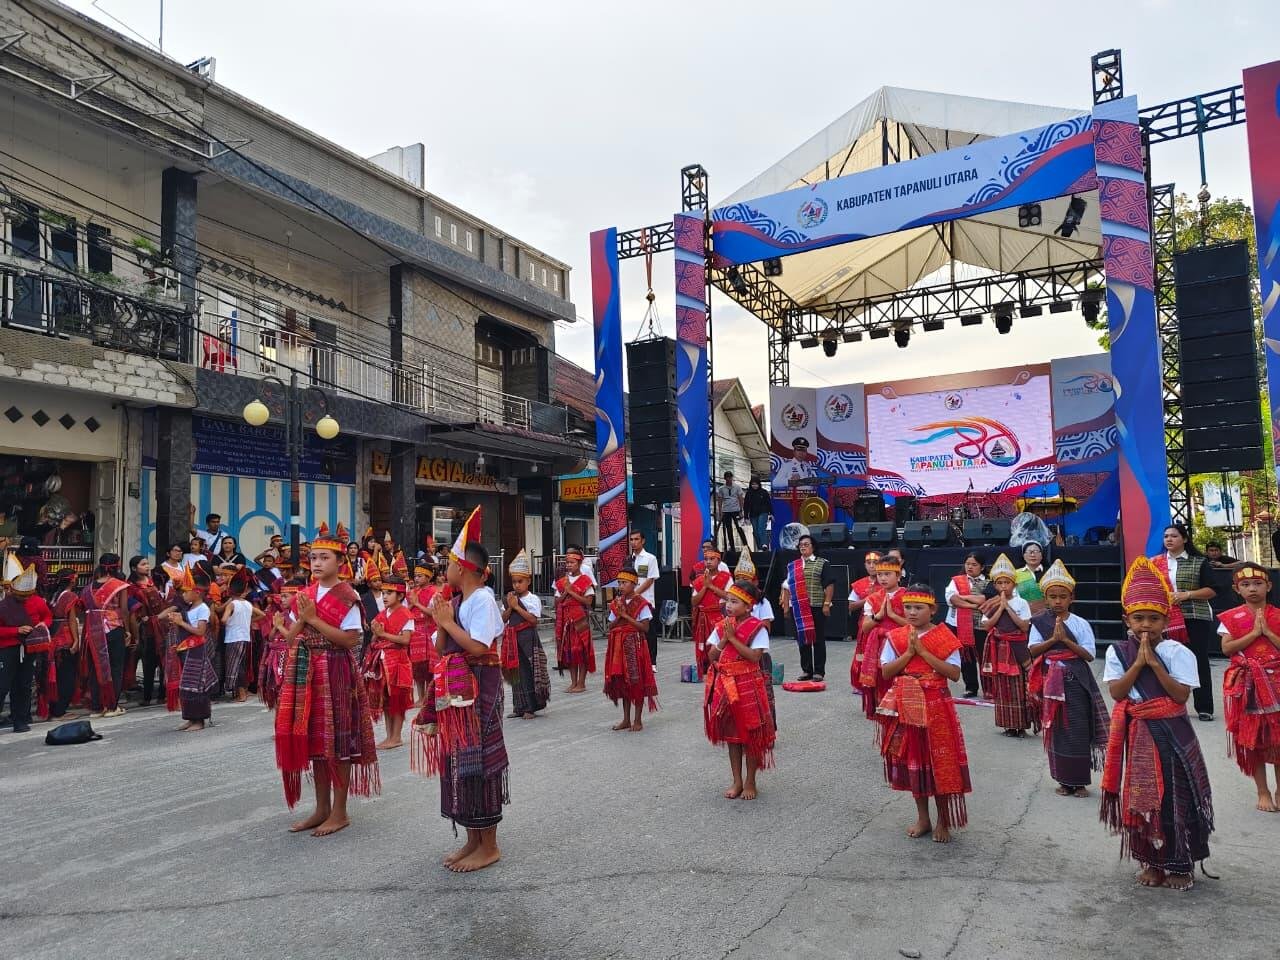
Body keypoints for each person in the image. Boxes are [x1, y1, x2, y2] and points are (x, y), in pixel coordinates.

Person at [1101, 556, 1214, 891]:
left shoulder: (1178, 651)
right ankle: (1151, 862)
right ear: (1127, 620)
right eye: (1138, 618)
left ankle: (1181, 864)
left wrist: (1156, 665)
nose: (1145, 625)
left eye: (1153, 618)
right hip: (1140, 735)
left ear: (1167, 619)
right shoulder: (1118, 652)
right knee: (1143, 798)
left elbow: (1180, 697)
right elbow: (1118, 692)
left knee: (1177, 797)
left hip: (1173, 735)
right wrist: (1137, 664)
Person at [414, 506, 508, 873]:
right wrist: (441, 620)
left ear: (465, 569)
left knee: (481, 761)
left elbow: (480, 648)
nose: (444, 570)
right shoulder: (456, 601)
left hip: (478, 690)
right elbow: (442, 648)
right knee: (459, 762)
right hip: (454, 692)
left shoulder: (483, 599)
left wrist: (448, 624)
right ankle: (471, 838)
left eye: (449, 564)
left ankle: (490, 845)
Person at [274, 529, 380, 837]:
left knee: (338, 741)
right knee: (315, 740)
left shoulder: (349, 595)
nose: (317, 563)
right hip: (306, 670)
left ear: (340, 561)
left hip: (335, 668)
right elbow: (293, 636)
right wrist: (289, 624)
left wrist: (314, 619)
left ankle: (339, 811)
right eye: (313, 558)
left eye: (324, 558)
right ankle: (320, 808)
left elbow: (350, 640)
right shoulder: (305, 594)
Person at [876, 584, 969, 842]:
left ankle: (943, 820)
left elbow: (953, 674)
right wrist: (908, 653)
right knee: (915, 762)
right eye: (908, 607)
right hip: (907, 703)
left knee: (939, 761)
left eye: (919, 608)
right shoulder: (896, 637)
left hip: (936, 704)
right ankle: (923, 818)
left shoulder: (945, 637)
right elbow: (886, 672)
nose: (912, 612)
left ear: (933, 609)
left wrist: (924, 652)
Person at [1026, 560, 1109, 797]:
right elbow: (1032, 651)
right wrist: (1053, 640)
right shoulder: (1040, 622)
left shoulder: (1080, 624)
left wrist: (1067, 641)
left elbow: (1090, 655)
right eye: (1052, 597)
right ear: (1046, 598)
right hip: (1050, 680)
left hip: (1076, 680)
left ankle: (1080, 782)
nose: (1057, 601)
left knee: (1078, 730)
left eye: (1062, 596)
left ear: (1071, 597)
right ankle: (1063, 780)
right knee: (1057, 730)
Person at [704, 580, 776, 800]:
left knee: (750, 736)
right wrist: (725, 638)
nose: (729, 605)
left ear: (748, 606)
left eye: (734, 602)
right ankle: (736, 780)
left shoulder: (757, 627)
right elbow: (711, 656)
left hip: (748, 685)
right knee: (732, 736)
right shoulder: (721, 626)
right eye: (728, 600)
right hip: (725, 686)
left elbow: (755, 657)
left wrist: (732, 639)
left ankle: (750, 781)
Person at [1217, 564, 1280, 811]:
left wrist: (1268, 633)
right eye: (1245, 585)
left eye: (1258, 584)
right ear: (1237, 589)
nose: (1252, 589)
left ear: (1269, 586)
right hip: (1248, 686)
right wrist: (1254, 633)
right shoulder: (1231, 618)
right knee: (1253, 740)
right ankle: (1262, 791)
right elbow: (1227, 649)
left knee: (1278, 739)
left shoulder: (1277, 615)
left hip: (1277, 682)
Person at [1152, 524, 1218, 721]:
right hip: (1165, 619)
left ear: (1185, 539)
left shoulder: (1199, 562)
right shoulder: (1155, 563)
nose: (1169, 539)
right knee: (1164, 661)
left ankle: (1204, 707)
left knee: (1198, 661)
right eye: (1166, 536)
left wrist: (1186, 595)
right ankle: (1167, 704)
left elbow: (1212, 590)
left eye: (1174, 536)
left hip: (1194, 616)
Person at [980, 553, 1033, 737]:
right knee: (1002, 686)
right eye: (1000, 583)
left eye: (1007, 583)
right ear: (995, 585)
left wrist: (1008, 608)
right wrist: (1000, 608)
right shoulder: (992, 603)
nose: (1004, 586)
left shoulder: (1021, 602)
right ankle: (1007, 725)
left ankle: (1021, 725)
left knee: (1019, 685)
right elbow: (986, 625)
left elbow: (1024, 625)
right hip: (999, 648)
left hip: (1017, 648)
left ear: (1014, 584)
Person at [0, 554, 52, 732]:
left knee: (23, 685)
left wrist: (43, 624)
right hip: (7, 649)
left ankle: (20, 720)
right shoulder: (4, 605)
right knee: (2, 686)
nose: (24, 600)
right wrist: (15, 630)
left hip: (29, 648)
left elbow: (47, 616)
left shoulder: (37, 601)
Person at [604, 563, 659, 731]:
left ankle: (638, 720)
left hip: (635, 645)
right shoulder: (616, 602)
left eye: (624, 583)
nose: (620, 586)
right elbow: (610, 626)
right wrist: (619, 617)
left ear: (634, 583)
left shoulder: (641, 603)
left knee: (636, 681)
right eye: (619, 583)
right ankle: (626, 719)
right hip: (618, 646)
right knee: (622, 682)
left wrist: (625, 616)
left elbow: (644, 628)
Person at [853, 554, 907, 720]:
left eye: (887, 574)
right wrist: (879, 616)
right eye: (879, 574)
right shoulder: (873, 598)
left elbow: (914, 624)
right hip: (879, 644)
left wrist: (892, 615)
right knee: (880, 676)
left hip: (901, 642)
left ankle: (902, 708)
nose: (882, 578)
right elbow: (865, 627)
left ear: (898, 575)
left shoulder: (908, 595)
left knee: (901, 676)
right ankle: (882, 707)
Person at [365, 574, 414, 750]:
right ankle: (389, 736)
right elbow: (373, 641)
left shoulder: (406, 615)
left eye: (389, 593)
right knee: (386, 701)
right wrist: (375, 634)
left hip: (398, 662)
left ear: (400, 596)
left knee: (397, 701)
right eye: (383, 592)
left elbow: (406, 640)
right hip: (382, 662)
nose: (384, 596)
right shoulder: (381, 615)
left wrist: (383, 634)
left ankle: (397, 736)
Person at [500, 549, 549, 720]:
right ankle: (519, 706)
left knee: (529, 672)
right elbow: (503, 619)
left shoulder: (532, 599)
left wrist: (517, 607)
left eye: (520, 581)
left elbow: (533, 620)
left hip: (528, 639)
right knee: (515, 673)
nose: (516, 585)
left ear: (528, 581)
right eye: (514, 582)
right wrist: (510, 607)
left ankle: (531, 707)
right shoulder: (509, 599)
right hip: (512, 640)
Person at [80, 554, 131, 718]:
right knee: (115, 667)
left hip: (93, 630)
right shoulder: (119, 585)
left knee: (96, 667)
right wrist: (128, 631)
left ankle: (96, 706)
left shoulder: (87, 588)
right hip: (113, 627)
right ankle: (111, 706)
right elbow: (124, 610)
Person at [166, 565, 216, 731]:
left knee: (196, 687)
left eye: (187, 591)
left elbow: (200, 631)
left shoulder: (203, 609)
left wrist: (181, 623)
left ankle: (199, 721)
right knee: (185, 685)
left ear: (197, 592)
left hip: (197, 651)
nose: (183, 594)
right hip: (186, 650)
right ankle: (189, 718)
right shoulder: (188, 608)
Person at [780, 533, 833, 682]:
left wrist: (827, 604)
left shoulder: (822, 563)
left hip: (816, 606)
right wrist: (785, 607)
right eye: (801, 545)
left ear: (813, 547)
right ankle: (807, 670)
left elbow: (829, 584)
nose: (803, 547)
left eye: (806, 544)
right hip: (798, 607)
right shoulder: (793, 566)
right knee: (803, 640)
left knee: (818, 640)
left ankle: (819, 671)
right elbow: (786, 587)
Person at [946, 552, 989, 699]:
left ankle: (989, 689)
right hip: (960, 624)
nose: (970, 567)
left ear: (982, 567)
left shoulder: (989, 581)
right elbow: (953, 600)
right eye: (968, 564)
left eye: (974, 564)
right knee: (966, 657)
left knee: (985, 657)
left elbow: (985, 599)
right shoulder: (957, 581)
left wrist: (964, 599)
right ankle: (971, 687)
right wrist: (973, 606)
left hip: (982, 625)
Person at [128, 556, 169, 707]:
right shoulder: (131, 586)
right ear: (134, 568)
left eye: (147, 564)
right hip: (145, 628)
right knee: (148, 662)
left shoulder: (153, 582)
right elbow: (131, 609)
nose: (147, 566)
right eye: (143, 564)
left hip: (161, 625)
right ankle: (147, 696)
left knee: (163, 660)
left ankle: (162, 694)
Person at [554, 546, 596, 693]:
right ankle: (573, 683)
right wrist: (566, 591)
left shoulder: (586, 580)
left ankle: (581, 683)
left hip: (580, 620)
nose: (569, 565)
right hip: (565, 621)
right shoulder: (561, 581)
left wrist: (572, 591)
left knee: (581, 651)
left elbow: (588, 602)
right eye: (567, 562)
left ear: (579, 563)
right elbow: (557, 602)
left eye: (572, 562)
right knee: (570, 652)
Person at [44, 568, 83, 719]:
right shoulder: (70, 596)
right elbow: (72, 619)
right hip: (65, 637)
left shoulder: (53, 595)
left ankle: (56, 709)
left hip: (54, 638)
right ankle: (60, 711)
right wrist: (76, 640)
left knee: (57, 676)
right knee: (67, 677)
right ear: (72, 579)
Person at [691, 541, 732, 678]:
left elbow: (729, 596)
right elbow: (694, 601)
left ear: (718, 560)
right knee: (702, 644)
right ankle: (703, 668)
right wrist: (705, 586)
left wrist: (712, 587)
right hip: (703, 616)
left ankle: (718, 666)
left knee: (718, 642)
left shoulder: (726, 577)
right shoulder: (699, 580)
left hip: (719, 615)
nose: (708, 562)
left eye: (712, 559)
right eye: (706, 559)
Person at [220, 571, 262, 703]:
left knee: (235, 666)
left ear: (231, 591)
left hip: (233, 638)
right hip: (245, 637)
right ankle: (241, 693)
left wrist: (229, 621)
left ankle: (242, 694)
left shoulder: (232, 604)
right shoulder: (248, 604)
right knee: (242, 665)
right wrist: (248, 621)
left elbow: (224, 620)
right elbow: (262, 615)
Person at [627, 530, 661, 665]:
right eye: (631, 540)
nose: (633, 542)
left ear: (643, 541)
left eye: (636, 539)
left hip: (646, 601)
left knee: (649, 633)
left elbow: (649, 580)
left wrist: (635, 594)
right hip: (630, 601)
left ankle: (652, 662)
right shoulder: (628, 559)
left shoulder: (650, 558)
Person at [847, 551, 882, 624]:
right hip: (866, 623)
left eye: (875, 563)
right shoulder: (859, 584)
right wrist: (869, 598)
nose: (871, 566)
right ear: (865, 565)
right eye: (868, 563)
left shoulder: (888, 582)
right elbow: (851, 606)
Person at [716, 471, 747, 551]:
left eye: (730, 477)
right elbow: (719, 500)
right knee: (728, 529)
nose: (729, 479)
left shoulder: (737, 487)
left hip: (736, 510)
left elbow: (740, 498)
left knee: (739, 527)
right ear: (725, 478)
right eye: (727, 477)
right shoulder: (721, 488)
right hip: (726, 511)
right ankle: (732, 547)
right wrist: (720, 512)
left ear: (732, 478)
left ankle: (745, 545)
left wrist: (741, 510)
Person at [1015, 541, 1047, 615]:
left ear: (1041, 555)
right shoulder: (1015, 574)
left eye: (1036, 551)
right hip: (1022, 616)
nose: (1032, 555)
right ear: (1023, 555)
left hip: (1047, 615)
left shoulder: (1050, 572)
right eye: (1029, 552)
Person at [744, 477, 772, 552]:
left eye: (756, 484)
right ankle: (760, 547)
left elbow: (769, 503)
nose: (754, 486)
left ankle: (764, 544)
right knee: (755, 532)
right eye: (753, 484)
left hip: (763, 512)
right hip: (753, 514)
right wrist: (746, 517)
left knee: (761, 528)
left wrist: (771, 513)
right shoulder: (748, 493)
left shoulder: (764, 492)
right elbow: (746, 505)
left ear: (759, 484)